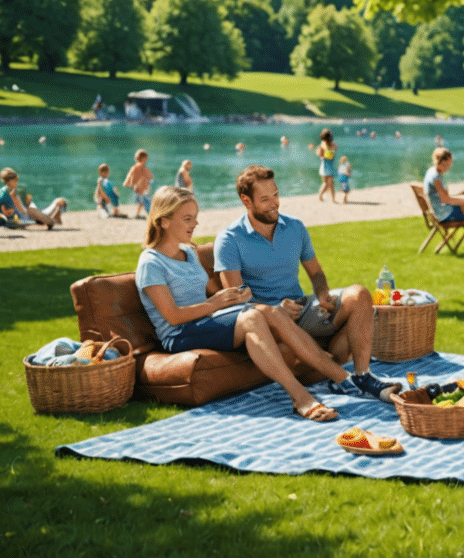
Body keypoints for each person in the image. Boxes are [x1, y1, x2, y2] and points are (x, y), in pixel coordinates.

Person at [139, 186, 370, 422]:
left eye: (195, 217)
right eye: (187, 219)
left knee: (268, 310)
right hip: (179, 334)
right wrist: (216, 304)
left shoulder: (188, 253)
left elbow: (209, 292)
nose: (195, 224)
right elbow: (173, 317)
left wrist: (234, 297)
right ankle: (301, 398)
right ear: (164, 221)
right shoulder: (151, 263)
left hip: (206, 322)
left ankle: (346, 379)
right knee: (252, 317)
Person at [213, 165, 397, 407]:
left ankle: (363, 376)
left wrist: (322, 295)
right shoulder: (229, 239)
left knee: (359, 294)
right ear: (246, 201)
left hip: (302, 309)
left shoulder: (295, 227)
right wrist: (275, 309)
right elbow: (237, 301)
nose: (274, 204)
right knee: (271, 315)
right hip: (266, 320)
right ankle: (343, 379)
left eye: (276, 195)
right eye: (265, 199)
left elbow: (316, 272)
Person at [422, 147, 464, 227]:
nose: (451, 164)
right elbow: (445, 200)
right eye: (450, 161)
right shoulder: (436, 178)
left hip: (439, 210)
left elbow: (443, 196)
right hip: (443, 214)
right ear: (444, 161)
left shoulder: (432, 171)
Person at [0, 167, 66, 229]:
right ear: (9, 181)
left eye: (17, 180)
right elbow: (2, 211)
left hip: (22, 218)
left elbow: (21, 208)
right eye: (15, 180)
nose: (17, 182)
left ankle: (49, 220)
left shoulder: (10, 191)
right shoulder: (5, 194)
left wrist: (27, 203)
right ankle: (51, 221)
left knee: (60, 201)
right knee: (32, 211)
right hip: (14, 221)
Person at [122, 149, 154, 218]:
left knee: (141, 202)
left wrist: (128, 183)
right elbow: (150, 175)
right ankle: (151, 215)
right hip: (142, 188)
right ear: (144, 158)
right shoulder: (142, 166)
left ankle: (138, 214)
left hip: (137, 187)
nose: (146, 160)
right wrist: (150, 179)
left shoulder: (134, 166)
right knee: (146, 201)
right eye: (146, 158)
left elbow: (130, 175)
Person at [315, 129, 337, 203]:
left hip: (328, 166)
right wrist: (326, 155)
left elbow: (335, 148)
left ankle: (330, 198)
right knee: (327, 183)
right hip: (326, 166)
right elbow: (319, 154)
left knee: (329, 183)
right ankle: (323, 196)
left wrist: (326, 154)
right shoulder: (323, 145)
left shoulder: (329, 145)